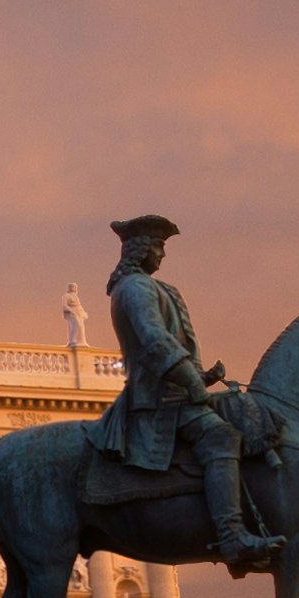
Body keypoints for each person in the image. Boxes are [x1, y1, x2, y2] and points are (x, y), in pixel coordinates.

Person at [90, 214, 281, 576]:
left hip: (173, 392)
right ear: (141, 248)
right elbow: (154, 341)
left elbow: (168, 346)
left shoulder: (150, 286)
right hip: (159, 401)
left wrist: (201, 375)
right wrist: (191, 382)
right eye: (158, 246)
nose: (162, 254)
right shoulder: (133, 288)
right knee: (222, 437)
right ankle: (232, 536)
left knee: (242, 413)